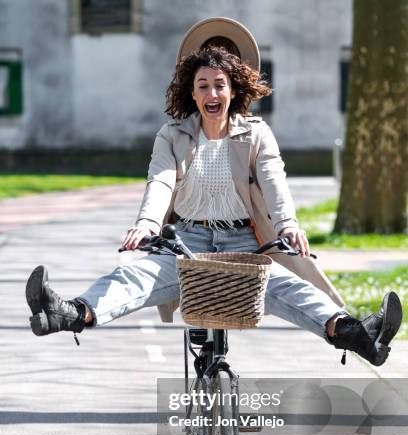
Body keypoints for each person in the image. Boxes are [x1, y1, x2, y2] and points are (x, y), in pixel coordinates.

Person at [26, 17, 402, 366]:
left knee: (289, 287)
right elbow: (160, 179)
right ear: (191, 93)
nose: (212, 92)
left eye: (219, 84)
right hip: (185, 243)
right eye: (203, 86)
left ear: (233, 89)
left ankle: (358, 334)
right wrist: (146, 225)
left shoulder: (256, 134)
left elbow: (274, 179)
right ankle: (71, 312)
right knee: (132, 279)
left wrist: (288, 224)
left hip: (243, 244)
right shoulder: (172, 135)